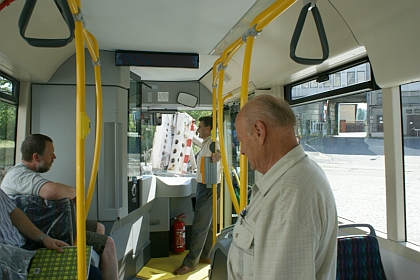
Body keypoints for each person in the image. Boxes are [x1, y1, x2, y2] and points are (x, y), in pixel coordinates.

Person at [227, 95, 338, 279]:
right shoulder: (289, 179)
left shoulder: (290, 197)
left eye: (241, 140)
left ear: (259, 132)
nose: (243, 151)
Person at [1, 134, 117, 280]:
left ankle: (90, 265)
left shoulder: (25, 174)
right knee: (109, 243)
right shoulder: (20, 176)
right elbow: (52, 191)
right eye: (50, 154)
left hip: (48, 225)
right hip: (41, 230)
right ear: (36, 157)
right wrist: (76, 193)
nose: (54, 157)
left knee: (99, 227)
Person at [0, 188, 102, 280]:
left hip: (23, 250)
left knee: (90, 273)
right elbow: (53, 191)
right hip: (6, 264)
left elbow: (13, 213)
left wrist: (43, 238)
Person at [173, 115, 221, 275]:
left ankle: (190, 263)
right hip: (205, 186)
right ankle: (207, 255)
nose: (198, 129)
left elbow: (219, 155)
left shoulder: (214, 145)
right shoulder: (207, 143)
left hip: (208, 187)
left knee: (199, 226)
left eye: (200, 127)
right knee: (207, 225)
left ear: (208, 129)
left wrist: (218, 156)